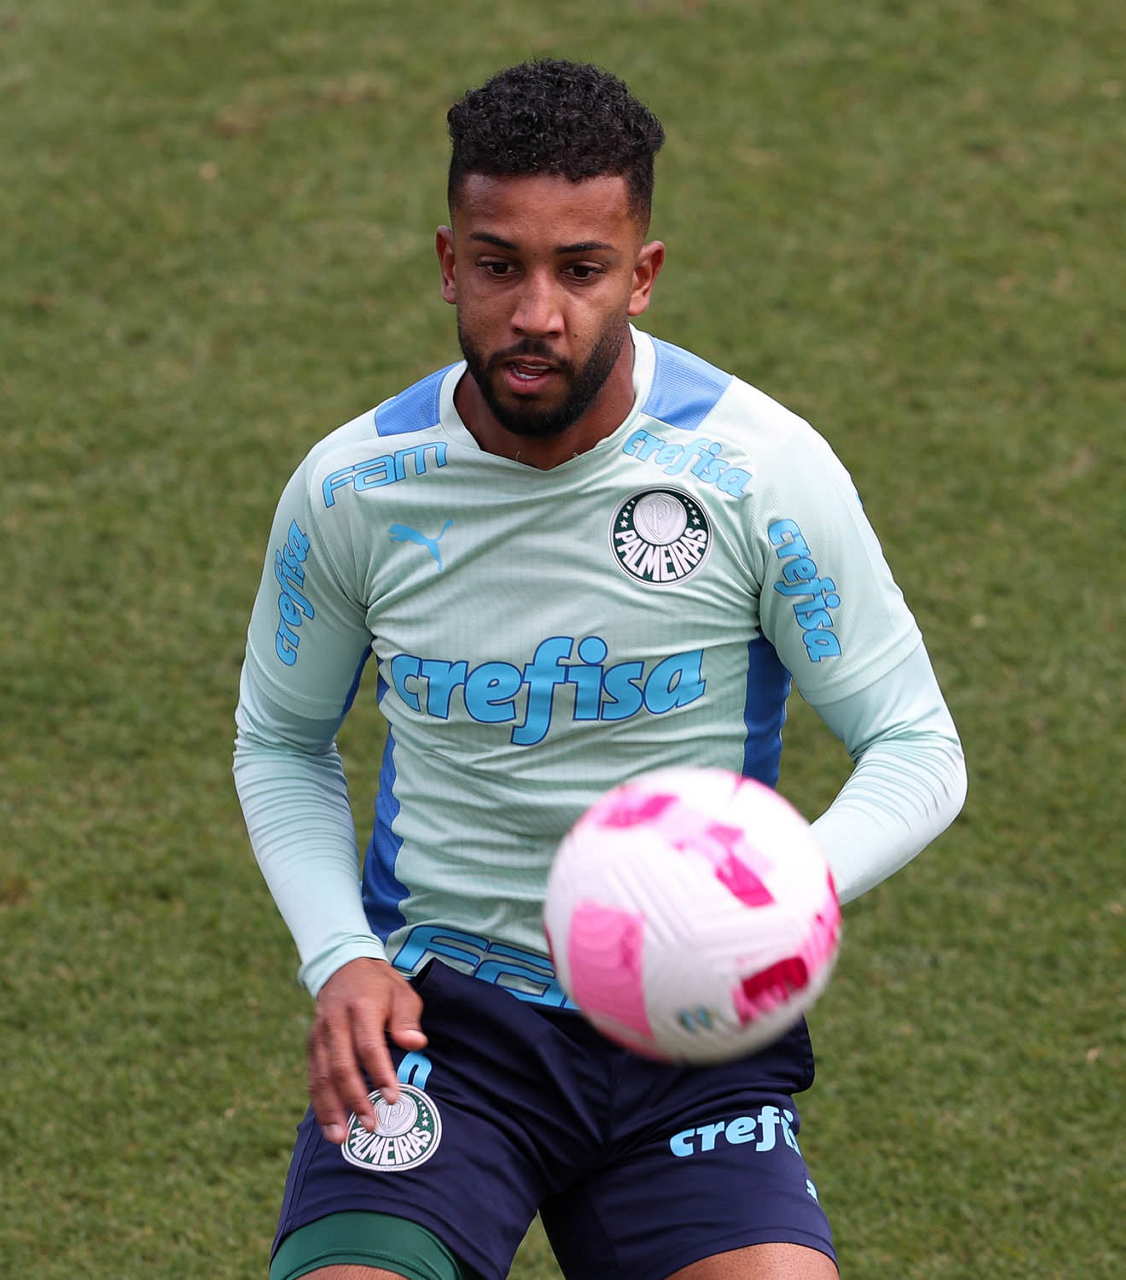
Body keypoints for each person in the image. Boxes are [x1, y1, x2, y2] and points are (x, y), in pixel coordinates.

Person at [234, 58, 966, 1280]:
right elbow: (280, 739)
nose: (536, 313)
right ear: (447, 262)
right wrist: (340, 953)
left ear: (642, 272)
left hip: (692, 1030)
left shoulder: (756, 471)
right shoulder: (354, 489)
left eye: (580, 270)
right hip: (446, 1022)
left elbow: (916, 745)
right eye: (498, 265)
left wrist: (760, 901)